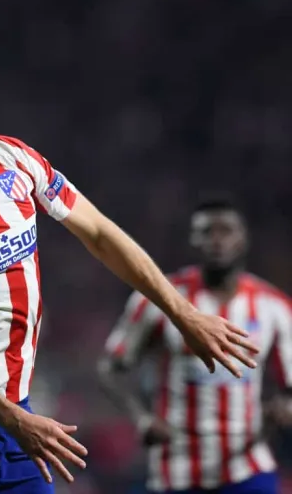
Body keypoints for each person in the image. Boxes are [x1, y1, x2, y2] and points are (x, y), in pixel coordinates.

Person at [0, 54, 259, 494]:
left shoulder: (7, 155)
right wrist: (16, 420)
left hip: (15, 410)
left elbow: (99, 232)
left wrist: (183, 314)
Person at [98, 196, 292, 493]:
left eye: (226, 231)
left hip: (247, 466)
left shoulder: (273, 306)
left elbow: (289, 385)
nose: (217, 240)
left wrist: (285, 407)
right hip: (177, 469)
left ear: (243, 239)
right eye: (206, 232)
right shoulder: (159, 298)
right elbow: (110, 368)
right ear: (193, 240)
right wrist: (142, 418)